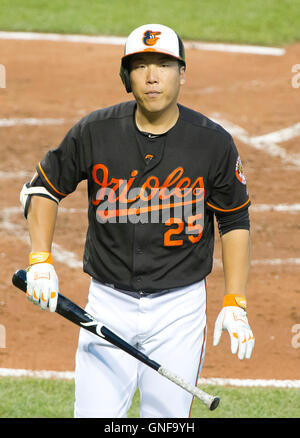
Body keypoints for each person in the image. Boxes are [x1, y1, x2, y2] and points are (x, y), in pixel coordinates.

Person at [20, 23, 255, 418]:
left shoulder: (213, 143)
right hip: (107, 305)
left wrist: (235, 301)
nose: (151, 76)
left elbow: (234, 222)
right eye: (140, 65)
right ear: (125, 77)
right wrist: (40, 261)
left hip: (179, 310)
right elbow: (43, 188)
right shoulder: (95, 132)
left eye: (163, 64)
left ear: (182, 73)